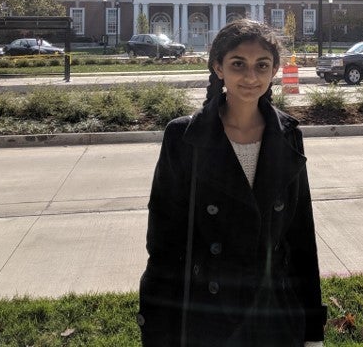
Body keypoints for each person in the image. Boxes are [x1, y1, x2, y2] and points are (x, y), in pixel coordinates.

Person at [138, 19, 327, 346]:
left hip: (274, 317)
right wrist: (157, 329)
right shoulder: (184, 137)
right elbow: (164, 245)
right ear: (218, 67)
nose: (251, 77)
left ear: (275, 71)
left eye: (262, 65)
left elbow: (300, 241)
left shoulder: (288, 136)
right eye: (238, 64)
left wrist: (313, 331)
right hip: (208, 317)